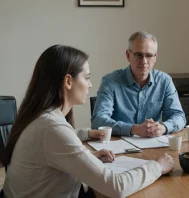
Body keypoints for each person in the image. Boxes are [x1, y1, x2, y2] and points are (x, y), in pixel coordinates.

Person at [2, 45, 175, 198]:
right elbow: (116, 187)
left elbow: (52, 150)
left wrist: (87, 157)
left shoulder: (42, 116)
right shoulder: (52, 127)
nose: (90, 85)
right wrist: (157, 167)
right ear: (68, 81)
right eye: (87, 77)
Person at [91, 31, 186, 137]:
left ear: (155, 57)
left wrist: (164, 127)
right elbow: (98, 121)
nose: (144, 61)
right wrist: (134, 129)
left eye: (149, 56)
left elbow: (179, 116)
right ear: (128, 55)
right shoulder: (110, 82)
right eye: (138, 55)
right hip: (118, 146)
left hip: (154, 145)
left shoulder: (164, 81)